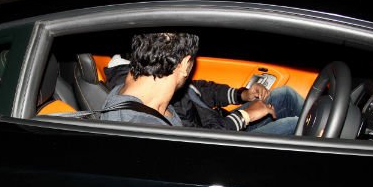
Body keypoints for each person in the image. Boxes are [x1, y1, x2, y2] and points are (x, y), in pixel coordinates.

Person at [101, 32, 304, 135]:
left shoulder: (148, 83)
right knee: (294, 126)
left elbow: (196, 90)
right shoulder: (148, 129)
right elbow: (206, 146)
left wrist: (241, 95)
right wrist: (244, 115)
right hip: (217, 139)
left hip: (214, 125)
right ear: (184, 64)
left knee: (285, 94)